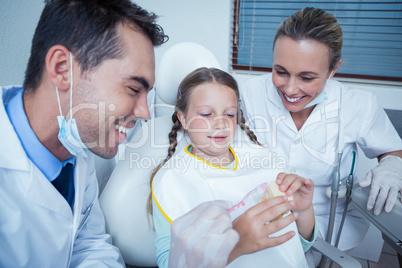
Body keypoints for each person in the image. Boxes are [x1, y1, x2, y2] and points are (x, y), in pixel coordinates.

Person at [0, 1, 237, 267]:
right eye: (133, 89)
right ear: (62, 69)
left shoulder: (79, 148)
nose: (145, 113)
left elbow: (87, 245)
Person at [240, 7, 402, 254]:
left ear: (333, 69)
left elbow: (393, 149)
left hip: (328, 221)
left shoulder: (358, 104)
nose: (291, 89)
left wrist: (392, 166)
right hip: (261, 212)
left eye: (307, 78)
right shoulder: (249, 93)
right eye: (280, 71)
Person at [149, 67, 319, 267]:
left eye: (229, 114)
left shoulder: (263, 159)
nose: (220, 123)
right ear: (184, 119)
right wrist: (236, 243)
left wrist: (304, 209)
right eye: (206, 114)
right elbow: (170, 263)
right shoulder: (173, 181)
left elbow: (296, 246)